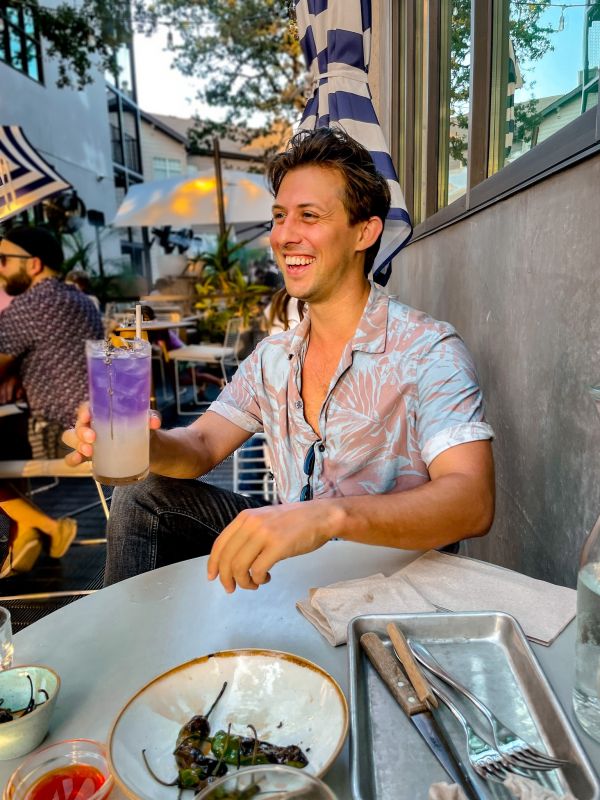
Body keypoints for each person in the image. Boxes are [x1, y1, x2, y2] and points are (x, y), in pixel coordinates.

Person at [65, 127, 495, 591]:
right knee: (140, 491)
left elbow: (472, 501)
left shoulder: (427, 350)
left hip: (392, 578)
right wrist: (148, 445)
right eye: (279, 216)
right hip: (295, 567)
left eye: (309, 216)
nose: (284, 235)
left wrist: (325, 517)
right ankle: (137, 656)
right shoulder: (275, 357)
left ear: (364, 232)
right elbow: (202, 446)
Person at [0, 226, 104, 572]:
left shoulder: (28, 306)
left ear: (33, 264)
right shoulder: (80, 300)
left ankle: (41, 526)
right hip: (99, 425)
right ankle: (27, 529)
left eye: (3, 260)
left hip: (62, 434)